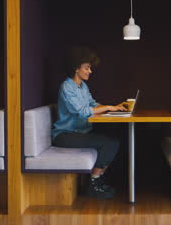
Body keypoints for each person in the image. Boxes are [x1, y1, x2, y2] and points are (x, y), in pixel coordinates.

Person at [52, 47, 126, 199]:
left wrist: (114, 108)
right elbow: (82, 111)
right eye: (87, 68)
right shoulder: (67, 87)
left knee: (115, 139)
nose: (90, 71)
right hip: (65, 136)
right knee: (109, 144)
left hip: (81, 133)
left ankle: (98, 179)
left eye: (90, 68)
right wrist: (107, 108)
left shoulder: (83, 86)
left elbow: (92, 104)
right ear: (76, 68)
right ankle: (93, 184)